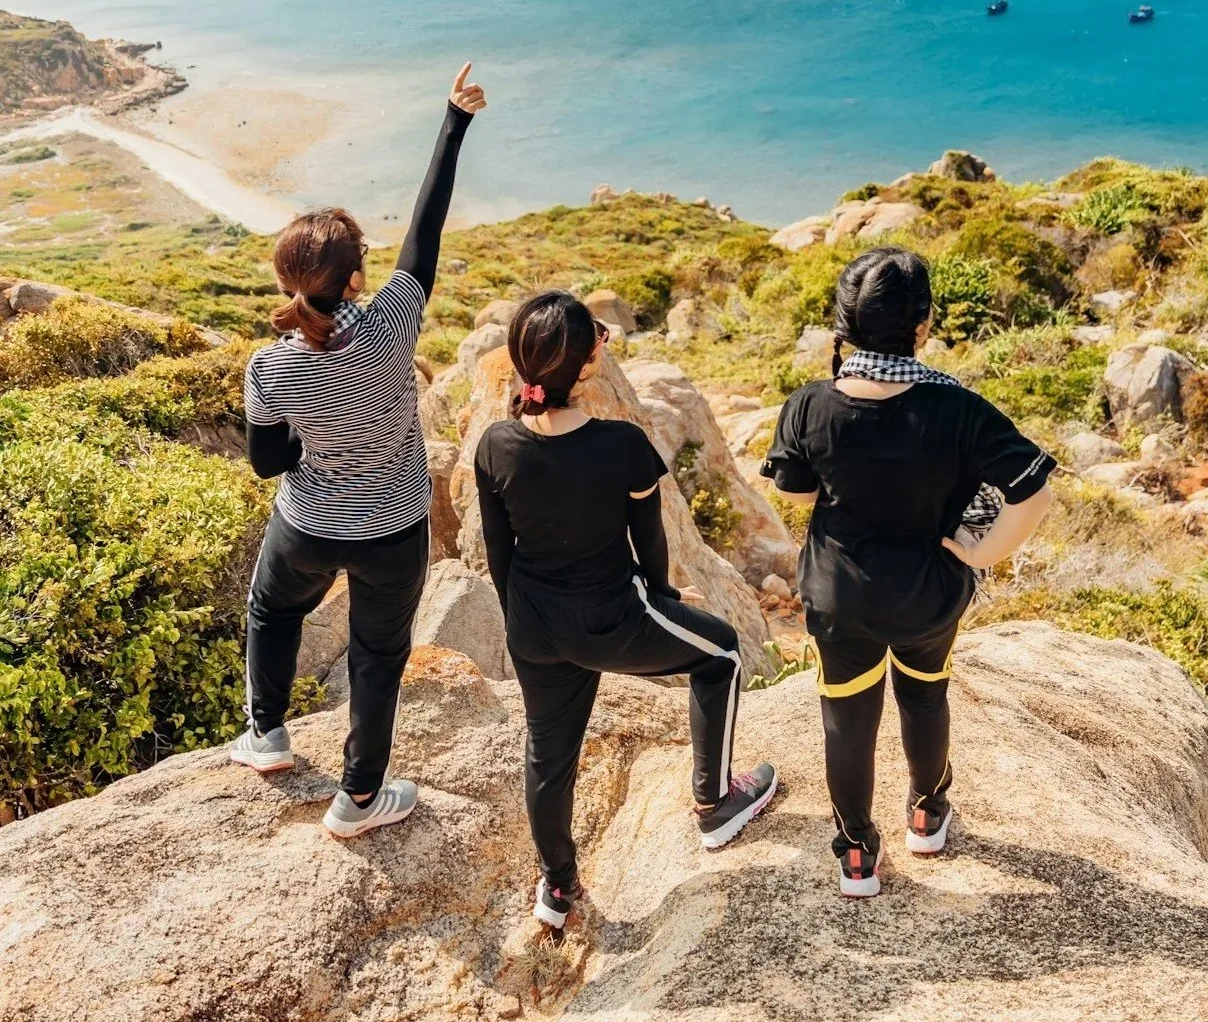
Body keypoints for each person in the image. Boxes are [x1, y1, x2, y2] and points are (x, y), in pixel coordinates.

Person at [229, 63, 487, 838]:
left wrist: (318, 441)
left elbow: (268, 464)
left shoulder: (270, 367)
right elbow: (425, 233)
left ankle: (267, 736)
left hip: (307, 525)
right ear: (355, 280)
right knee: (377, 657)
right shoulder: (392, 326)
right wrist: (454, 120)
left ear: (287, 280)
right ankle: (360, 799)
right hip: (394, 531)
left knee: (273, 610)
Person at [474, 290, 777, 929]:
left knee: (548, 755)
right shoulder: (621, 445)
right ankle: (716, 803)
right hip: (612, 618)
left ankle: (557, 887)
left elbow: (500, 552)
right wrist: (663, 597)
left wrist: (525, 620)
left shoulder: (495, 444)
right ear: (588, 365)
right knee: (721, 653)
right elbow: (650, 542)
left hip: (533, 624)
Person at [763, 246, 1055, 898]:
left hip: (840, 598)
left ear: (844, 324)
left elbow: (798, 493)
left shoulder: (808, 405)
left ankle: (856, 853)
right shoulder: (960, 409)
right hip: (929, 594)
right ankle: (927, 812)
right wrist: (980, 554)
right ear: (922, 325)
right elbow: (1033, 493)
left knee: (847, 719)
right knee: (925, 696)